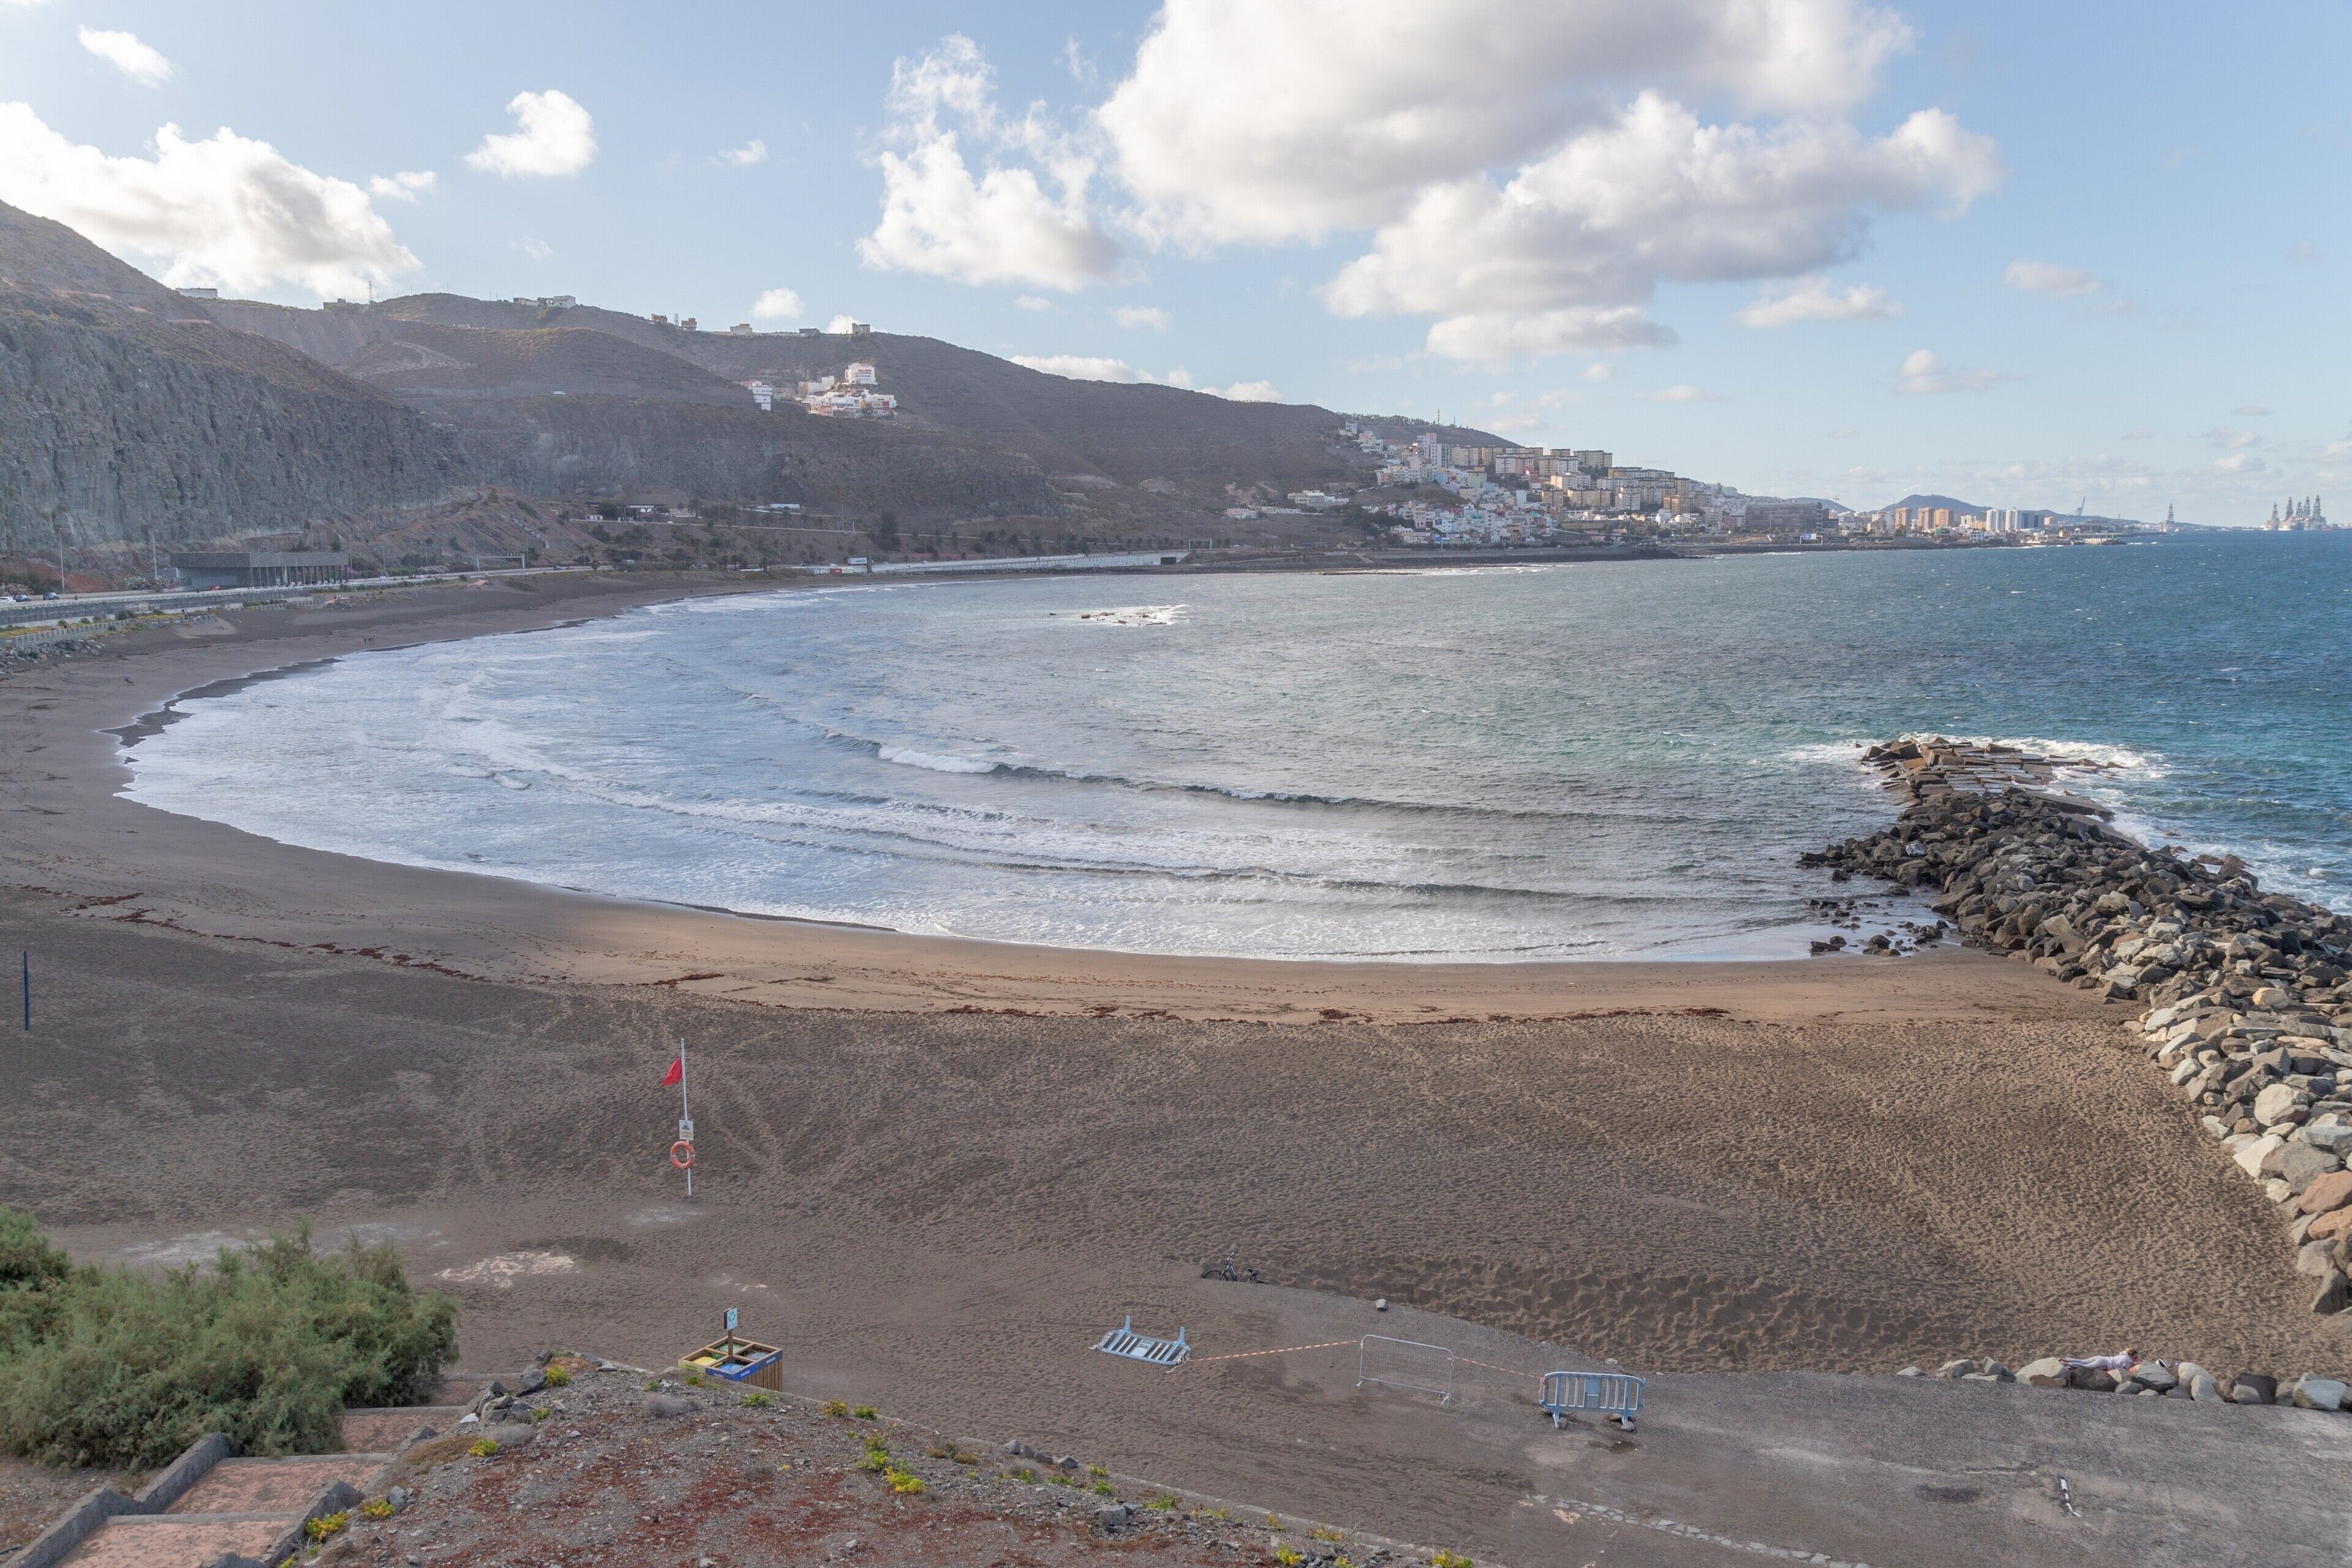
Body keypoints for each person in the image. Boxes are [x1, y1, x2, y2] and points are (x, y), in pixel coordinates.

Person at [2062, 1348, 2139, 1373]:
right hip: (2104, 1363)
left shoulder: (2124, 1354)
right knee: (2085, 1367)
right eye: (2135, 1358)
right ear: (2131, 1356)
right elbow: (2126, 1370)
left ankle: (2066, 1360)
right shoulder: (2127, 1360)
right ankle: (2065, 1363)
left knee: (2082, 1361)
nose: (2136, 1359)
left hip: (2101, 1358)